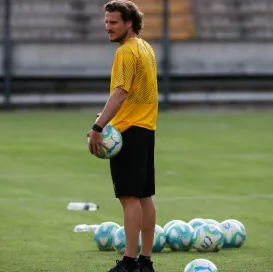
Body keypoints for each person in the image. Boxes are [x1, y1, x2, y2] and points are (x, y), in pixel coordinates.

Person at [86, 1, 158, 271]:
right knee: (144, 197)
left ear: (129, 23)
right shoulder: (146, 48)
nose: (108, 27)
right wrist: (106, 119)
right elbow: (136, 94)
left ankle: (129, 263)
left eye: (113, 22)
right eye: (106, 22)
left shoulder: (126, 52)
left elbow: (121, 92)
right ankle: (145, 261)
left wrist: (98, 128)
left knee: (129, 197)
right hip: (146, 129)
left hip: (128, 132)